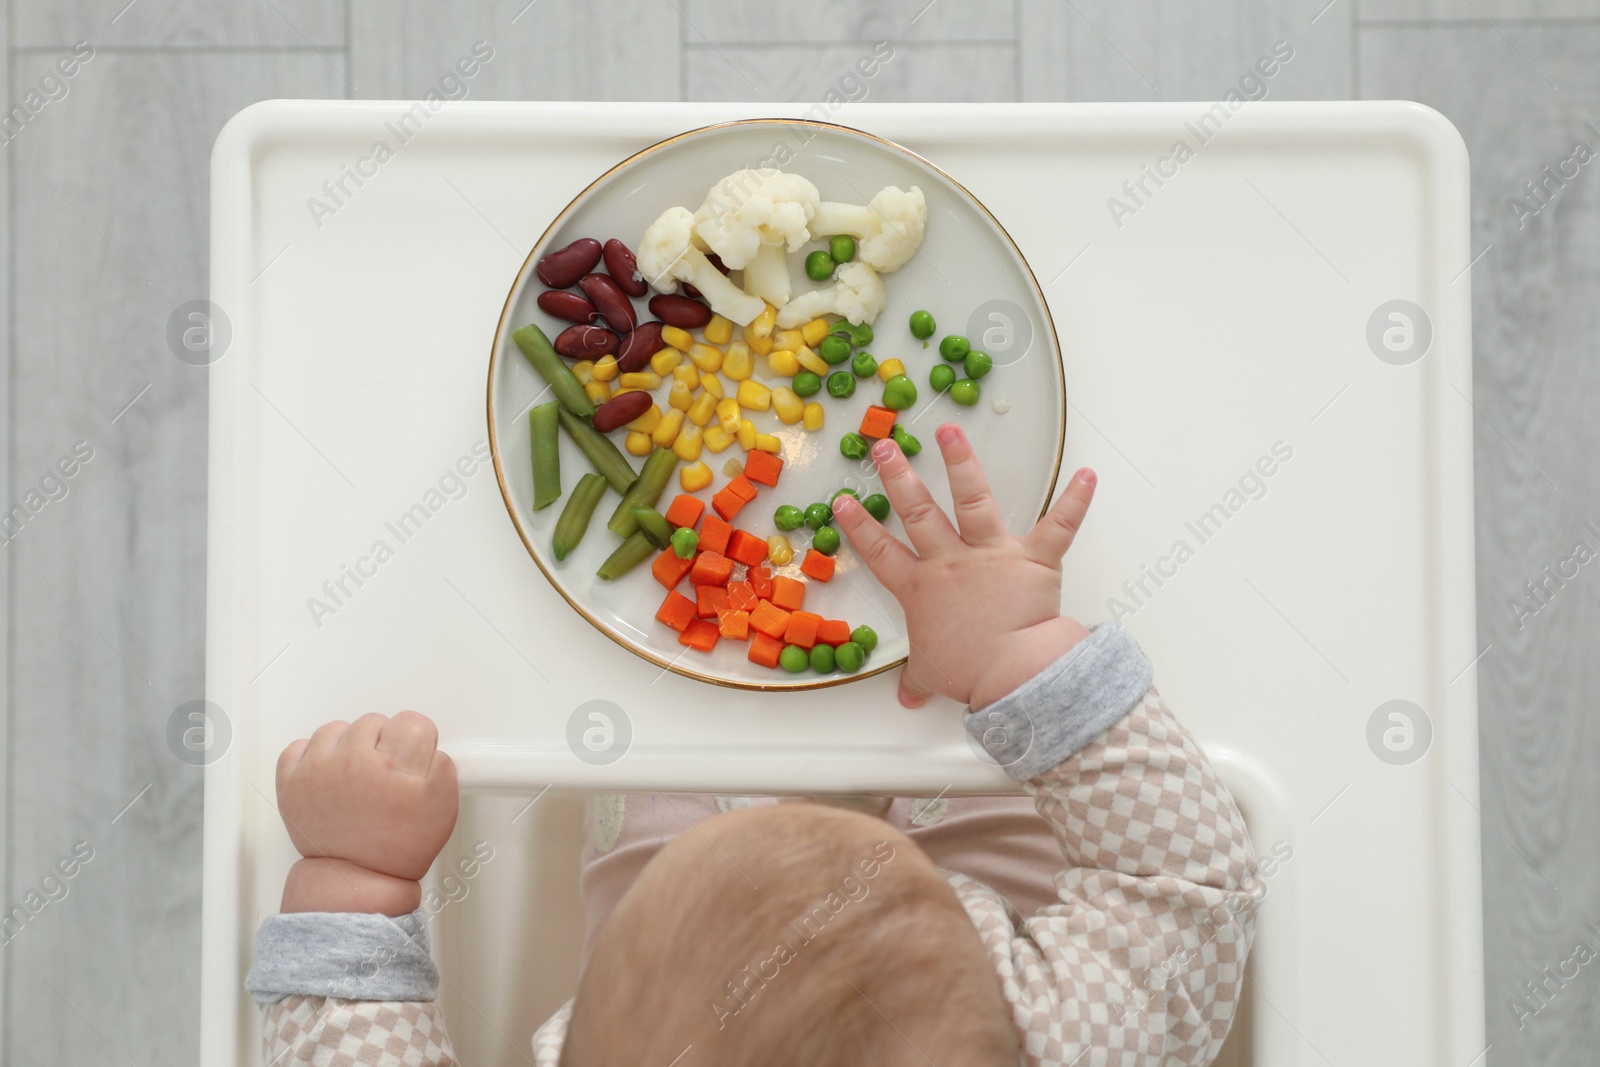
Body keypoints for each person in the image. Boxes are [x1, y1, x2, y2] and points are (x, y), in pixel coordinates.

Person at [245, 424, 1261, 1066]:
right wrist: (1018, 656)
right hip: (996, 919)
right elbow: (1186, 880)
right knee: (1003, 804)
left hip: (705, 919)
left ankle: (687, 820)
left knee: (662, 800)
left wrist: (354, 875)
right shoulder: (1077, 1038)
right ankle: (881, 809)